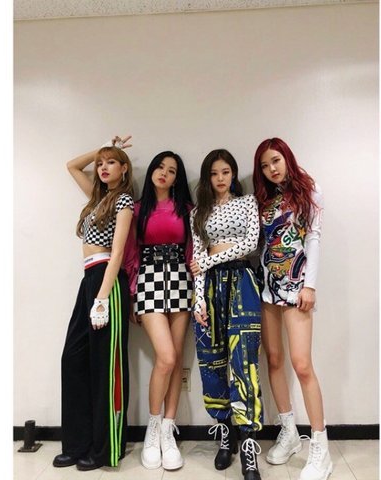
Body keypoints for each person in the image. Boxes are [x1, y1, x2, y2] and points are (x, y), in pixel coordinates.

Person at [52, 134, 134, 471]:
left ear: (124, 168)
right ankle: (77, 443)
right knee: (73, 359)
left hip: (107, 282)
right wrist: (102, 147)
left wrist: (102, 298)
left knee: (106, 368)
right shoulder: (97, 198)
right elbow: (72, 166)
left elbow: (118, 252)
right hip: (88, 279)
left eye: (110, 162)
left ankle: (104, 450)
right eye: (100, 163)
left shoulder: (123, 201)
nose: (102, 167)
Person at [252, 137, 332, 480]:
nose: (271, 168)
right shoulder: (263, 199)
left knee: (301, 364)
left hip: (297, 287)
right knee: (273, 359)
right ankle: (288, 432)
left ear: (287, 158)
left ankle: (320, 447)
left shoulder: (309, 191)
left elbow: (313, 238)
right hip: (267, 287)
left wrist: (309, 285)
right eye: (265, 165)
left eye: (276, 160)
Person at [189, 149, 263, 480]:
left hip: (242, 283)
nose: (220, 178)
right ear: (207, 177)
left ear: (233, 174)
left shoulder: (247, 203)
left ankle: (248, 443)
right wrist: (198, 301)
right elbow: (197, 257)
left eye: (226, 172)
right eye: (214, 173)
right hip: (209, 288)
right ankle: (225, 433)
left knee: (244, 360)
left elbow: (250, 244)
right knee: (211, 360)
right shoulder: (198, 212)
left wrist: (209, 260)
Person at [124, 151, 193, 470]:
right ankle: (152, 428)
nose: (164, 173)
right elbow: (130, 253)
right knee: (165, 357)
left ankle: (168, 430)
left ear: (177, 179)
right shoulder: (137, 209)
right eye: (160, 167)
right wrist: (132, 295)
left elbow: (192, 250)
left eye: (172, 170)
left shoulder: (186, 209)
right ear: (151, 170)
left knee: (176, 358)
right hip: (149, 280)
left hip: (181, 279)